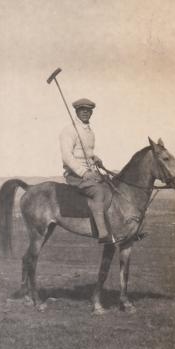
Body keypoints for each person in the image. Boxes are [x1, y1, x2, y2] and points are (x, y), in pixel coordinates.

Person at [59, 98, 117, 244]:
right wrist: (83, 172)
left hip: (90, 172)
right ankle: (103, 233)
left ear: (91, 112)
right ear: (76, 111)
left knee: (110, 185)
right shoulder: (69, 130)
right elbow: (67, 156)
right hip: (75, 175)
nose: (85, 112)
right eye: (81, 110)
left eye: (88, 110)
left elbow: (85, 152)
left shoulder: (89, 131)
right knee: (98, 191)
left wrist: (94, 158)